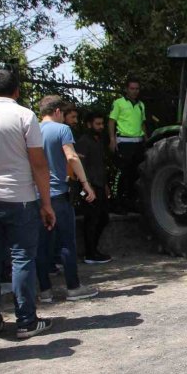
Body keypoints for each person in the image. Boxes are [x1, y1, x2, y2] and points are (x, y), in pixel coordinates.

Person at [0, 69, 55, 340]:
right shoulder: (25, 116)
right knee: (22, 258)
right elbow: (38, 163)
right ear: (17, 91)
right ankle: (26, 321)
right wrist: (46, 204)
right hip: (20, 198)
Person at [36, 95, 99, 302]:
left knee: (41, 244)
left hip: (36, 195)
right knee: (66, 242)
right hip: (58, 194)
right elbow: (71, 156)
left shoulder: (32, 130)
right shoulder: (62, 130)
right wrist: (85, 183)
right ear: (56, 112)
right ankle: (73, 287)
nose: (64, 118)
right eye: (63, 114)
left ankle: (44, 291)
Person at [76, 111, 112, 264]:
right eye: (97, 124)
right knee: (92, 219)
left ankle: (93, 250)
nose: (101, 127)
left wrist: (105, 185)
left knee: (102, 218)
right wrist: (86, 185)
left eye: (102, 124)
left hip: (99, 184)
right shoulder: (84, 141)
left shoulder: (99, 141)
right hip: (89, 186)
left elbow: (100, 165)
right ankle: (90, 253)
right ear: (89, 124)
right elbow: (80, 164)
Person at [109, 77, 146, 212]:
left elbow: (142, 123)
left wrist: (146, 140)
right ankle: (117, 203)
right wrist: (112, 139)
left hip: (138, 142)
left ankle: (130, 202)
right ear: (126, 89)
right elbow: (112, 121)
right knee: (122, 173)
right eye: (132, 88)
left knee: (135, 174)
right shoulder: (119, 103)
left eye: (137, 89)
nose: (135, 91)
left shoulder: (141, 105)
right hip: (124, 142)